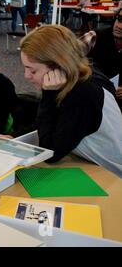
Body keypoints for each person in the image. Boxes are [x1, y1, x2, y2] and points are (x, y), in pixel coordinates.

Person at [20, 25, 122, 178]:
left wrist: (48, 96)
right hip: (90, 163)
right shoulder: (82, 75)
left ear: (59, 67)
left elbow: (50, 152)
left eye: (33, 70)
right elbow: (56, 122)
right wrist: (16, 136)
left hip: (111, 176)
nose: (26, 76)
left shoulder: (82, 95)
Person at [82, 8, 122, 110]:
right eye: (119, 19)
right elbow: (71, 53)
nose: (119, 26)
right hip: (92, 96)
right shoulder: (96, 36)